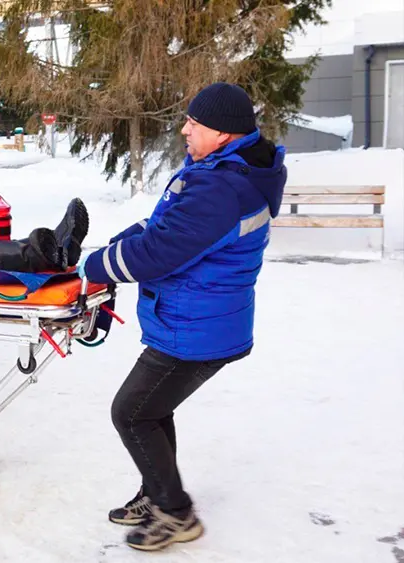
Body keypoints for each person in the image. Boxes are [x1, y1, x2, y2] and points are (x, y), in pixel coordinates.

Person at [75, 83, 287, 551]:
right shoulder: (223, 171)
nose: (185, 128)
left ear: (225, 135)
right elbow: (163, 227)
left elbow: (159, 252)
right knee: (152, 408)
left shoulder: (222, 186)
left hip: (197, 329)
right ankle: (157, 493)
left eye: (196, 123)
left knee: (131, 413)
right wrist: (112, 248)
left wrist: (92, 267)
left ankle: (175, 512)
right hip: (195, 320)